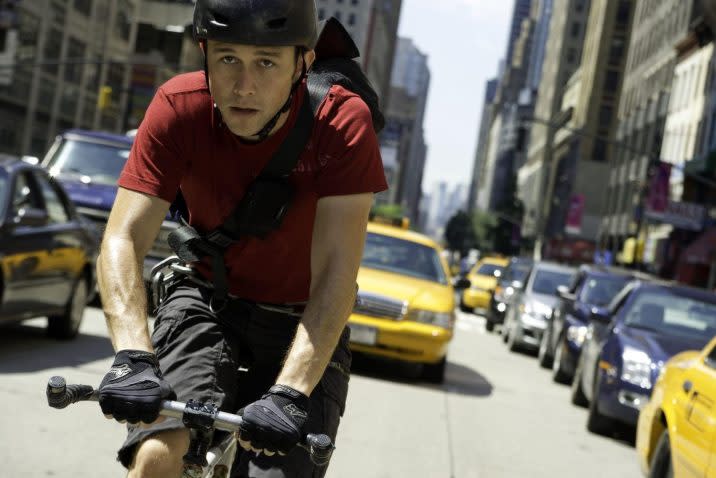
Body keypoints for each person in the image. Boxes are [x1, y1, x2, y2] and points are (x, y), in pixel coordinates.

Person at [95, 1, 387, 476]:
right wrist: (132, 354)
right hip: (208, 299)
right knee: (157, 458)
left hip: (303, 320)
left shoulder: (341, 123)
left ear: (303, 63)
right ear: (205, 53)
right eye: (228, 58)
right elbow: (122, 238)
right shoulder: (178, 106)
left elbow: (338, 272)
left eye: (266, 63)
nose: (244, 85)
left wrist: (291, 392)